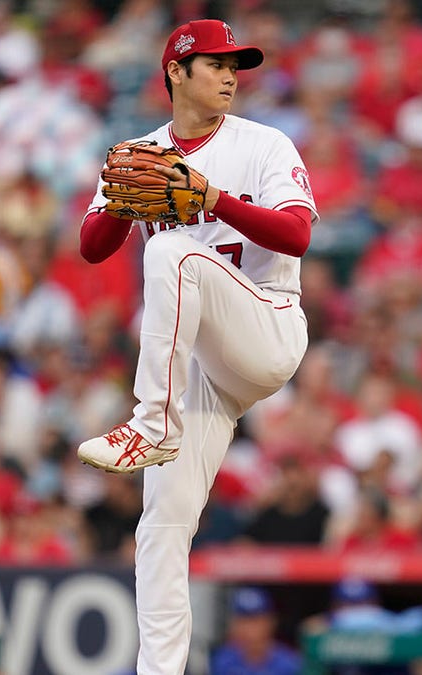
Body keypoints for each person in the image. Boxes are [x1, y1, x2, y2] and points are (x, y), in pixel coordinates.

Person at [73, 19, 316, 674]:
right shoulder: (140, 151)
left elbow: (295, 235)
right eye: (215, 63)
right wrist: (123, 201)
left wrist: (212, 197)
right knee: (160, 526)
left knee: (176, 248)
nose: (231, 74)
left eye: (237, 64)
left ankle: (150, 422)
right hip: (202, 373)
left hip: (266, 325)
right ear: (176, 71)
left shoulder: (263, 144)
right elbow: (91, 248)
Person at [210, 587, 301, 675]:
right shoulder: (222, 660)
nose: (248, 628)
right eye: (243, 620)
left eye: (254, 620)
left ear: (270, 622)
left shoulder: (290, 663)